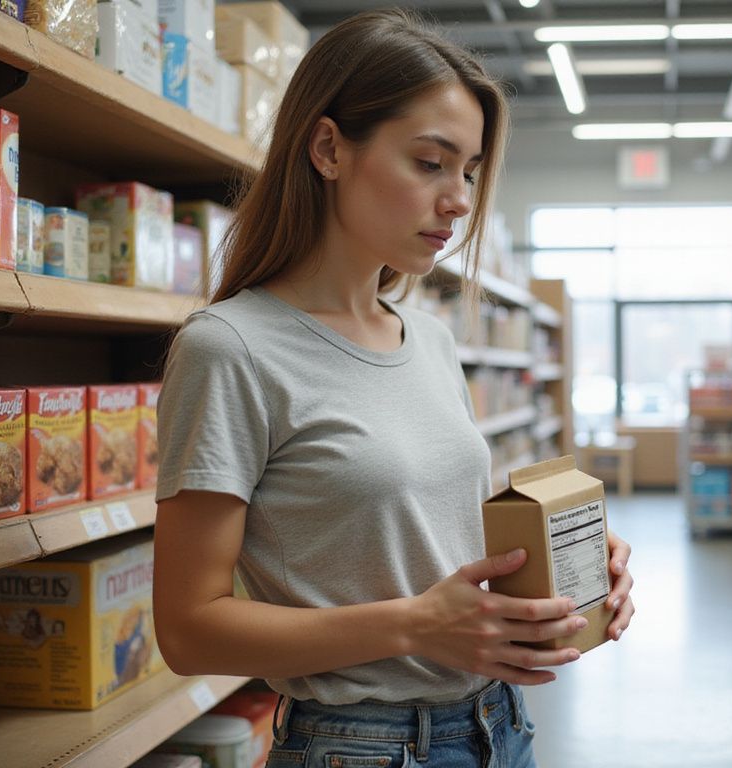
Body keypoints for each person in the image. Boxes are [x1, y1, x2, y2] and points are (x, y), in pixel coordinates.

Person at [152, 10, 635, 768]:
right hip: (362, 746)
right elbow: (188, 630)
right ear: (328, 148)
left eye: (469, 172)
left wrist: (564, 565)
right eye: (430, 163)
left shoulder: (430, 338)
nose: (459, 200)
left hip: (498, 727)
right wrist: (413, 626)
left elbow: (427, 543)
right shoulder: (230, 349)